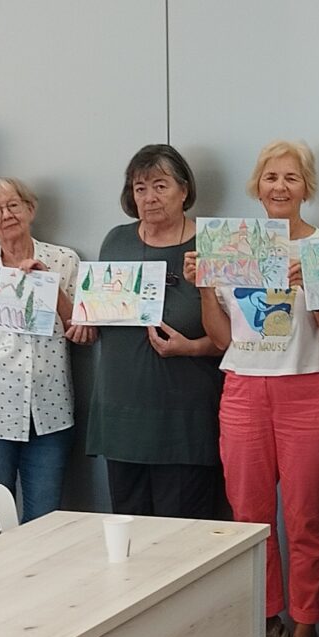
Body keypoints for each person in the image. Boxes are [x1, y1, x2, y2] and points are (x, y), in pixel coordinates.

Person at [196, 140, 319, 637]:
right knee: (249, 517)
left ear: (307, 187)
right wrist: (205, 287)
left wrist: (318, 290)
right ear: (257, 186)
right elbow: (220, 338)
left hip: (308, 388)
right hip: (243, 388)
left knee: (306, 518)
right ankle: (267, 619)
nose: (280, 187)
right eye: (271, 177)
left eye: (291, 177)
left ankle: (305, 632)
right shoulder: (232, 246)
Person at [86, 144, 228, 518]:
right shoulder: (116, 240)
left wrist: (191, 348)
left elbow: (239, 339)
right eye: (140, 188)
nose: (149, 197)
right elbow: (98, 317)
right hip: (121, 416)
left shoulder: (212, 244)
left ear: (184, 190)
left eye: (160, 186)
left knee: (182, 535)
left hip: (184, 420)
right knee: (129, 532)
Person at [0, 177, 78, 524]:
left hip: (51, 414)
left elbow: (83, 333)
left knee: (44, 524)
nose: (6, 215)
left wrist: (49, 285)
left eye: (13, 205)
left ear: (30, 209)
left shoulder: (64, 260)